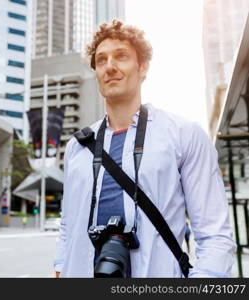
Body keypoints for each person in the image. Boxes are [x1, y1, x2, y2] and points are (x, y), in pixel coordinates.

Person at [54, 19, 236, 278]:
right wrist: (60, 269)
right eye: (101, 60)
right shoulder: (77, 147)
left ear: (143, 67)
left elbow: (215, 235)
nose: (110, 66)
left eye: (121, 56)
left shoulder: (183, 134)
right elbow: (68, 227)